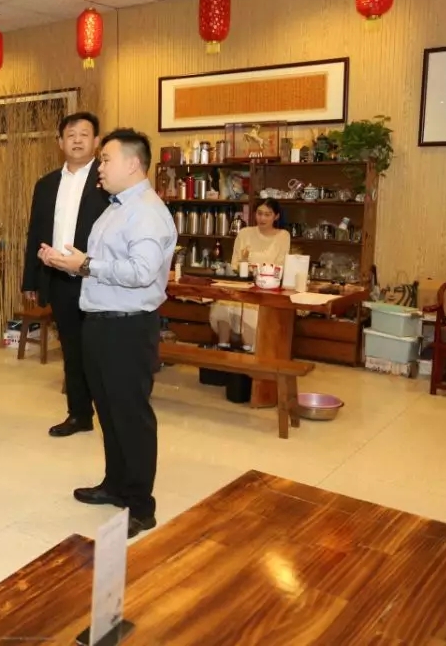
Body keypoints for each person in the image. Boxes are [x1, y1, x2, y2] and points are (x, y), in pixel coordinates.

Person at [38, 128, 176, 539]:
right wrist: (68, 262)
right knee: (109, 412)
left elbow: (141, 272)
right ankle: (116, 485)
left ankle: (141, 506)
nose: (100, 167)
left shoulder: (147, 211)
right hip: (100, 322)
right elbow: (100, 262)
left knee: (131, 416)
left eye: (106, 159)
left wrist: (84, 266)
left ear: (133, 164)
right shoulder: (115, 207)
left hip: (127, 326)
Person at [22, 112, 110, 437]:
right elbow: (35, 233)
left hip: (97, 277)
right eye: (70, 135)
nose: (77, 140)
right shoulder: (46, 184)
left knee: (100, 352)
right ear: (59, 142)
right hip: (60, 278)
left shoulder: (107, 182)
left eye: (84, 134)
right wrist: (31, 280)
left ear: (96, 141)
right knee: (72, 351)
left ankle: (111, 416)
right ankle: (79, 414)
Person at [209, 198, 290, 346]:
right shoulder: (245, 233)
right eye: (259, 213)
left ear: (276, 216)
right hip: (243, 284)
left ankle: (250, 349)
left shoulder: (283, 236)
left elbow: (279, 266)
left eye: (267, 214)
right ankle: (223, 346)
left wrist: (256, 269)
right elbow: (235, 264)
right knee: (223, 304)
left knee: (251, 308)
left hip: (267, 288)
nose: (262, 218)